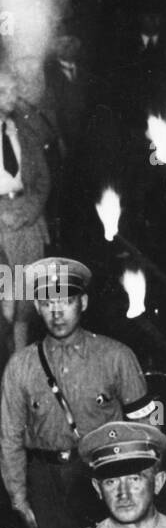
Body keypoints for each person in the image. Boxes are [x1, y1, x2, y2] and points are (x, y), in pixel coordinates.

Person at [0, 257, 155, 528]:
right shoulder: (21, 366)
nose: (56, 312)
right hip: (47, 482)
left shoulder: (116, 356)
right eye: (47, 302)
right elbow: (10, 437)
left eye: (65, 300)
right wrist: (19, 498)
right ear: (37, 306)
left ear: (82, 302)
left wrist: (143, 487)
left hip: (103, 474)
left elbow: (146, 430)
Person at [0, 66, 52, 353]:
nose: (12, 96)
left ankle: (20, 361)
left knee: (26, 295)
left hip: (27, 218)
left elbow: (43, 179)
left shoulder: (23, 129)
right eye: (4, 92)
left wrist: (28, 211)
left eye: (13, 89)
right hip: (1, 220)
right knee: (6, 296)